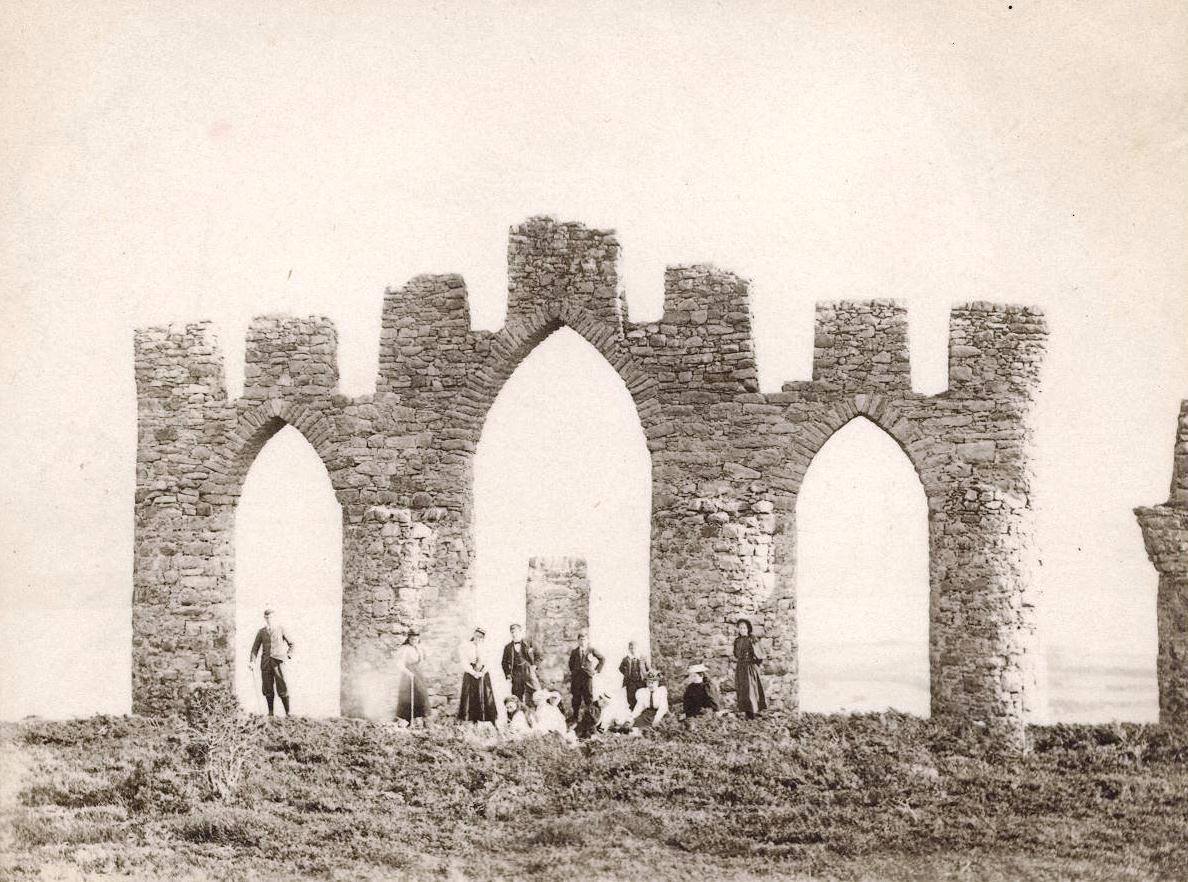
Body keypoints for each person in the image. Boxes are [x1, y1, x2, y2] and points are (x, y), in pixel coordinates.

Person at [248, 607, 294, 717]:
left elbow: (292, 644)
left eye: (271, 617)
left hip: (278, 663)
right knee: (267, 688)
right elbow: (255, 648)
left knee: (282, 686)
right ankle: (271, 713)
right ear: (265, 618)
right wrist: (252, 662)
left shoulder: (281, 629)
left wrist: (287, 655)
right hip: (266, 664)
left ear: (274, 617)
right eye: (267, 617)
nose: (269, 619)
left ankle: (288, 713)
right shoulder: (261, 632)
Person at [458, 627, 498, 728]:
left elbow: (489, 661)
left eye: (481, 637)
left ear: (483, 638)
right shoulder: (466, 646)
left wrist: (483, 672)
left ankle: (491, 722)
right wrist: (473, 672)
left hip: (483, 675)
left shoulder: (486, 647)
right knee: (471, 697)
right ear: (474, 635)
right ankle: (472, 723)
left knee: (485, 696)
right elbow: (464, 662)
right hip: (471, 675)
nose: (478, 639)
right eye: (477, 636)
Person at [733, 618, 768, 719]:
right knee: (742, 690)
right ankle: (746, 713)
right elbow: (735, 654)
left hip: (749, 668)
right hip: (740, 668)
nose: (742, 630)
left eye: (744, 628)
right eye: (740, 628)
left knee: (751, 690)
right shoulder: (737, 641)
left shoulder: (752, 639)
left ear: (748, 629)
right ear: (738, 629)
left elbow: (760, 655)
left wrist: (753, 665)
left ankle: (754, 712)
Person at [567, 631, 605, 722]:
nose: (582, 641)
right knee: (576, 697)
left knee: (588, 697)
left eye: (584, 640)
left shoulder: (591, 650)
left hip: (587, 677)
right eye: (581, 640)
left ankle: (590, 717)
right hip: (577, 678)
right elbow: (571, 664)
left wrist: (596, 670)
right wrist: (575, 672)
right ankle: (575, 716)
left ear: (587, 640)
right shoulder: (574, 652)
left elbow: (602, 659)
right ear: (578, 641)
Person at [394, 629, 429, 728]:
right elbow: (399, 664)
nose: (414, 640)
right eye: (412, 638)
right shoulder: (405, 649)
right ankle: (406, 721)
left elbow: (422, 660)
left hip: (418, 674)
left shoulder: (419, 648)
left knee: (421, 695)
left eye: (416, 638)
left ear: (418, 638)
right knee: (407, 697)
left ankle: (420, 720)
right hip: (408, 675)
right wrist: (408, 673)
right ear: (408, 639)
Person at [501, 624, 539, 703]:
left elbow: (539, 655)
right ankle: (519, 714)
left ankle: (533, 714)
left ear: (521, 632)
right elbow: (504, 663)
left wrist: (535, 665)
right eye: (512, 632)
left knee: (535, 694)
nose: (514, 634)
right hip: (516, 674)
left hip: (528, 671)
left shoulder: (529, 643)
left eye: (516, 632)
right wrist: (508, 675)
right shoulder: (508, 647)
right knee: (517, 697)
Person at [618, 641, 650, 711]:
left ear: (637, 648)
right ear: (629, 649)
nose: (633, 650)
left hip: (640, 682)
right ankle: (633, 714)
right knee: (631, 700)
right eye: (631, 648)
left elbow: (648, 669)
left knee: (641, 699)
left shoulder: (642, 658)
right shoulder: (626, 659)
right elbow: (621, 668)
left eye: (634, 648)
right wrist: (627, 674)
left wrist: (645, 677)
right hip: (631, 683)